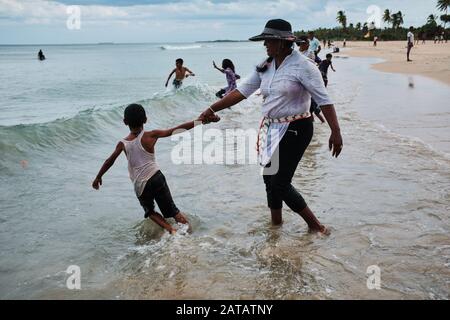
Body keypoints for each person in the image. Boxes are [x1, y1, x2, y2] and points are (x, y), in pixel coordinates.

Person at [199, 19, 343, 234]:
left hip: (298, 127)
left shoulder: (304, 67)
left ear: (284, 42)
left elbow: (324, 100)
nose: (265, 44)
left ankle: (317, 227)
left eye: (268, 40)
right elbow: (240, 92)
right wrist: (212, 108)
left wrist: (336, 132)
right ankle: (276, 225)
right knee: (268, 178)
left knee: (281, 183)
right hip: (271, 128)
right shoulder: (264, 66)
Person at [92, 103, 219, 234]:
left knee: (150, 212)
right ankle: (189, 233)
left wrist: (98, 177)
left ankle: (170, 230)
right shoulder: (151, 135)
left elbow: (109, 161)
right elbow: (177, 129)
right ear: (145, 119)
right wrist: (201, 121)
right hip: (156, 177)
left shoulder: (122, 143)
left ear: (125, 122)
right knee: (173, 211)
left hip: (141, 185)